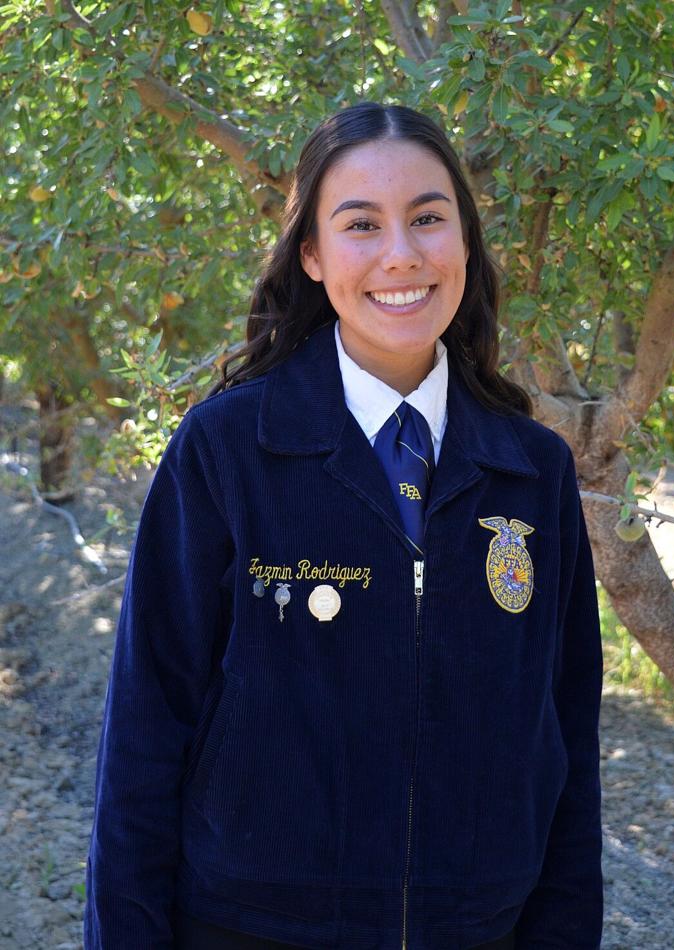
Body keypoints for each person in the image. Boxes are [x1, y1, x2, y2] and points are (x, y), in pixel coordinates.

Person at [84, 101, 603, 950]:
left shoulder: (532, 470)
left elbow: (569, 734)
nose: (402, 254)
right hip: (248, 929)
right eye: (361, 224)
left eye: (428, 218)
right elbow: (146, 726)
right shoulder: (227, 450)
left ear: (466, 241)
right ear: (312, 255)